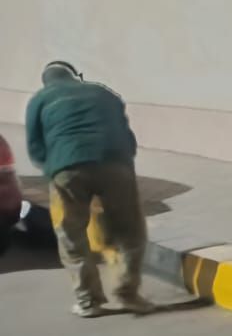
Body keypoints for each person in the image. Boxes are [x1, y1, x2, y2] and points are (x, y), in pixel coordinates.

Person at [24, 61, 152, 317]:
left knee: (71, 234)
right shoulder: (103, 92)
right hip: (115, 163)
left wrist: (53, 170)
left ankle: (88, 301)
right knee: (130, 230)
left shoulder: (39, 99)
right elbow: (127, 135)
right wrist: (123, 161)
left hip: (67, 167)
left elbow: (35, 146)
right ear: (75, 76)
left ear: (46, 81)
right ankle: (128, 294)